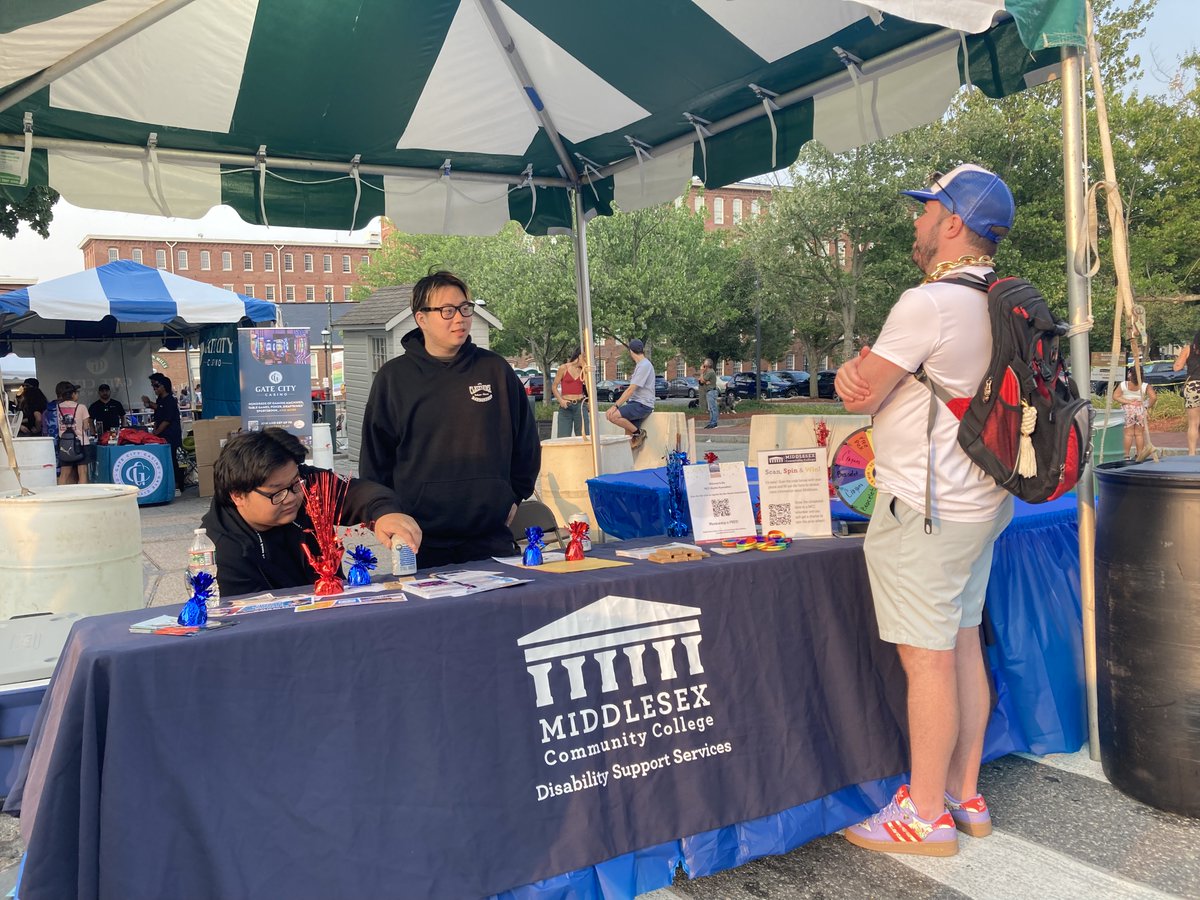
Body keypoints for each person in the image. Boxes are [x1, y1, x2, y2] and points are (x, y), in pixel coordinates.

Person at [835, 164, 1017, 858]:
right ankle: (964, 795)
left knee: (929, 663)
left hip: (926, 511)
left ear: (953, 223)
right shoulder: (1000, 300)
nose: (916, 222)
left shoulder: (929, 303)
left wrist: (868, 376)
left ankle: (924, 813)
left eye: (926, 210)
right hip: (983, 506)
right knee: (963, 643)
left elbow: (857, 392)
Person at [359, 270, 540, 568]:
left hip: (490, 536)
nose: (459, 318)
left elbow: (527, 443)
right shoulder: (394, 378)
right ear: (421, 318)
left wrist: (515, 494)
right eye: (447, 311)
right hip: (420, 542)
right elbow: (375, 459)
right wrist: (383, 511)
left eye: (465, 308)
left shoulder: (494, 370)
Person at [202, 428, 422, 597]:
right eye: (276, 493)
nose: (291, 498)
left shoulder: (307, 487)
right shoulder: (219, 548)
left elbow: (357, 492)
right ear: (237, 495)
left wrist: (385, 513)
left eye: (295, 484)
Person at [605, 339, 655, 450]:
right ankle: (630, 462)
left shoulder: (644, 366)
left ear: (631, 351)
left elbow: (631, 390)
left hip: (642, 404)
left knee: (613, 416)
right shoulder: (641, 365)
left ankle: (639, 433)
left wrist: (615, 406)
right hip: (635, 403)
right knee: (628, 441)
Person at [142, 373, 185, 491]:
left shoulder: (171, 400)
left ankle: (177, 484)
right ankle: (169, 483)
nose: (154, 389)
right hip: (162, 435)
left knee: (173, 459)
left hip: (171, 435)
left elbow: (167, 420)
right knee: (165, 459)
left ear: (163, 386)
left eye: (156, 386)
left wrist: (155, 433)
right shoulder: (161, 399)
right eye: (153, 386)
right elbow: (159, 408)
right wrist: (149, 403)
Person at [47, 381, 92, 485]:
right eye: (76, 393)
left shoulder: (57, 407)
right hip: (81, 443)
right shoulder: (82, 407)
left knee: (64, 474)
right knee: (82, 473)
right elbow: (86, 426)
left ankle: (61, 496)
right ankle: (82, 496)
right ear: (72, 394)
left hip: (64, 443)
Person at [1114, 366, 1157, 460]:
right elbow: (1153, 397)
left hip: (1127, 409)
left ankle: (1126, 456)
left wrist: (1128, 401)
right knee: (1139, 434)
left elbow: (1115, 396)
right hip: (1140, 409)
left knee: (1128, 434)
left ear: (1130, 374)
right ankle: (1139, 455)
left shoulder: (1123, 384)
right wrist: (1146, 405)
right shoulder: (1145, 386)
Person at [1172, 332, 1200, 455]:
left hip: (1193, 386)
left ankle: (1192, 453)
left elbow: (1176, 367)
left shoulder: (1188, 349)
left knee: (1193, 423)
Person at [552, 347, 589, 437]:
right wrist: (561, 400)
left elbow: (589, 388)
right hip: (566, 406)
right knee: (563, 436)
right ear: (580, 356)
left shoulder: (584, 370)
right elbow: (554, 387)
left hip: (580, 405)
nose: (586, 360)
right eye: (585, 357)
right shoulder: (563, 368)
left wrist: (586, 371)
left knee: (583, 436)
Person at [699, 358, 719, 429]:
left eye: (705, 363)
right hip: (709, 391)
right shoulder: (707, 372)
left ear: (708, 364)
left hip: (711, 391)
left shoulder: (710, 372)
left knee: (713, 408)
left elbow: (702, 380)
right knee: (710, 408)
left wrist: (702, 372)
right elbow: (700, 381)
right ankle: (711, 422)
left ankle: (714, 422)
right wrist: (704, 379)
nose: (703, 364)